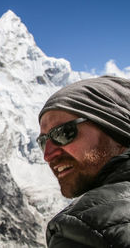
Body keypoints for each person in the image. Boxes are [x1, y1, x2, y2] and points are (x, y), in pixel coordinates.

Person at [37, 75, 130, 247]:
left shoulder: (79, 233)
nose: (48, 155)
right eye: (42, 142)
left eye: (63, 133)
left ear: (115, 128)